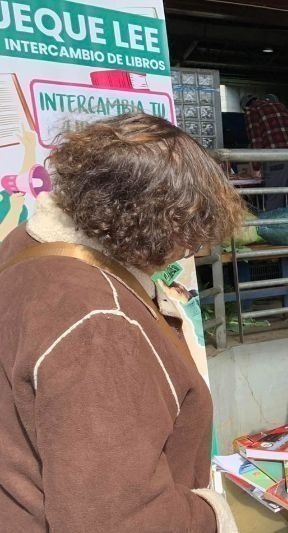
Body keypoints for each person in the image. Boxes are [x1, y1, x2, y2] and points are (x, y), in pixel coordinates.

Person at [0, 113, 243, 531]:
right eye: (188, 233)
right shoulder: (100, 323)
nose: (190, 250)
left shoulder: (24, 246)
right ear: (146, 223)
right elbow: (118, 518)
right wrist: (215, 516)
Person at [242, 93, 288, 211]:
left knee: (275, 199)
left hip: (276, 159)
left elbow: (256, 140)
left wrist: (256, 167)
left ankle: (275, 228)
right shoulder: (280, 106)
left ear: (245, 106)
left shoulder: (251, 110)